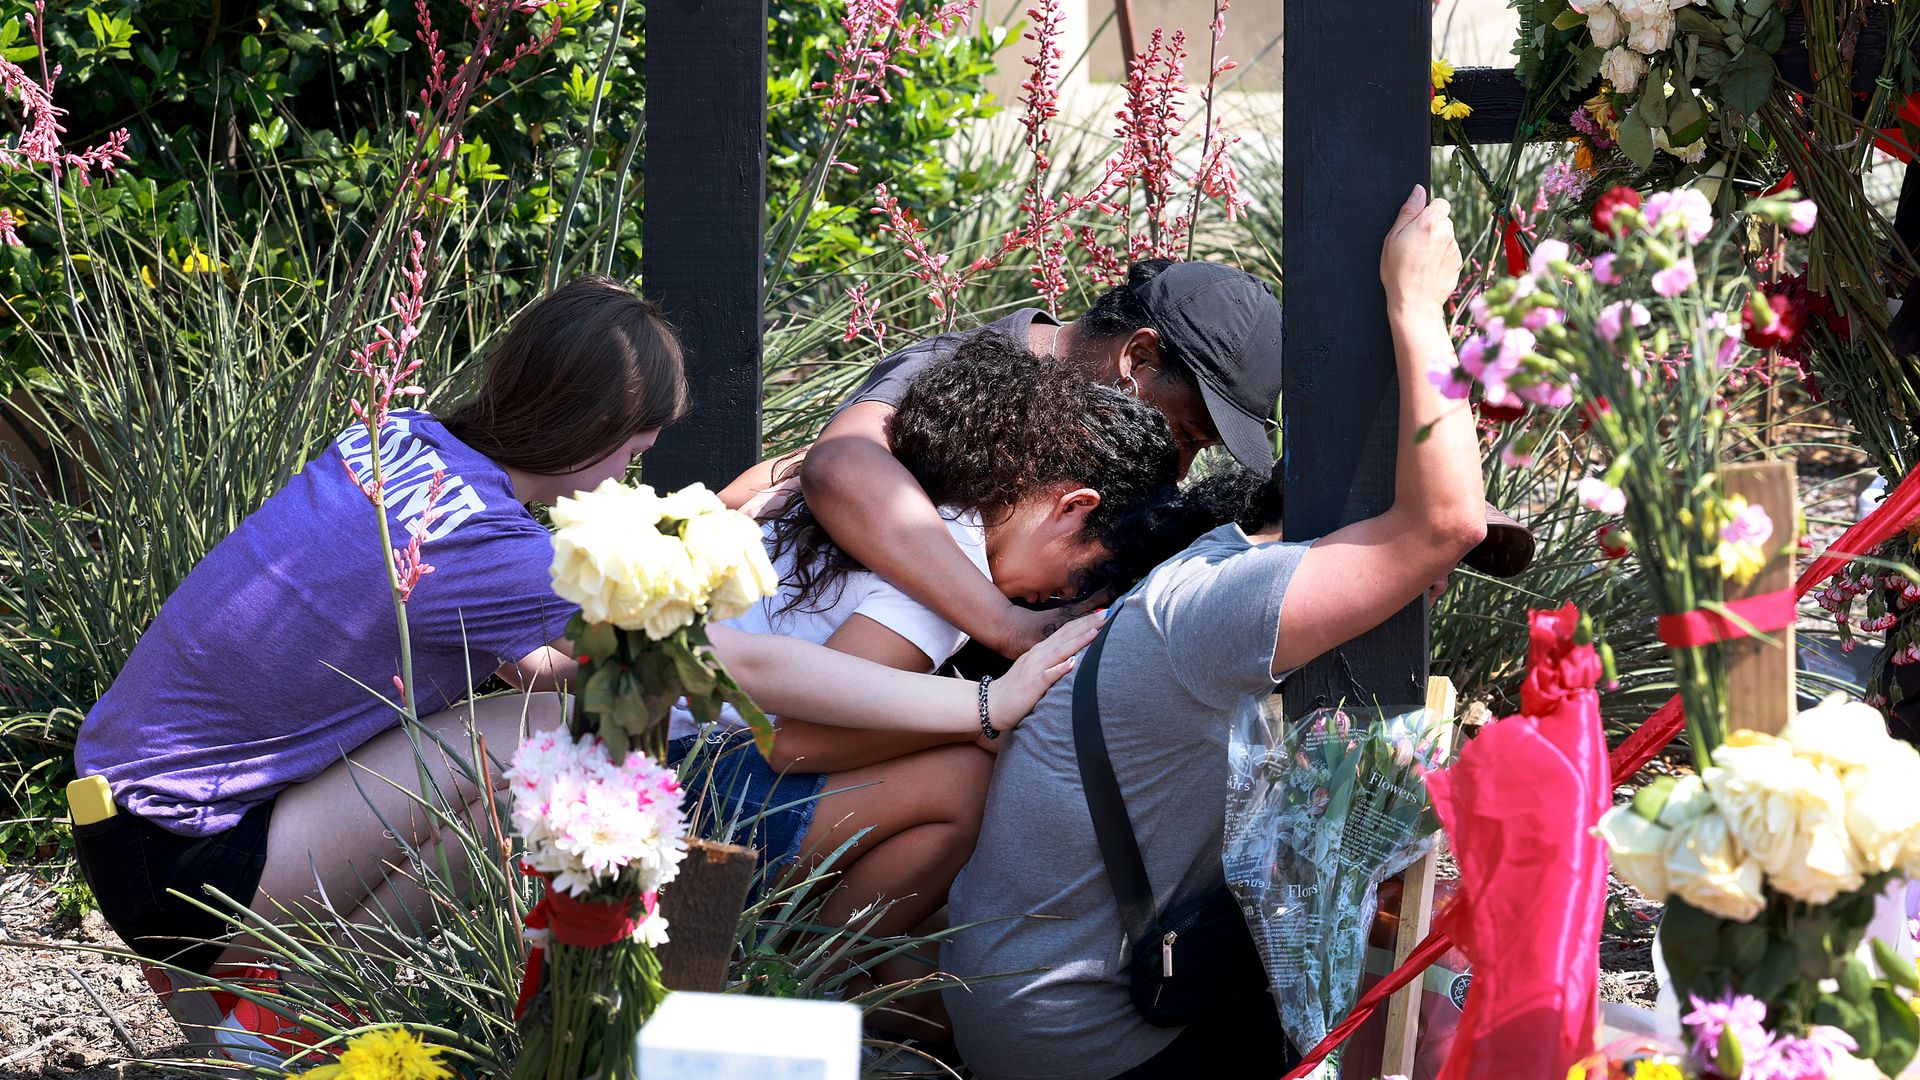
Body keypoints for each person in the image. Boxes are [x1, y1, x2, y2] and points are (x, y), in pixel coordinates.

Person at [63, 276, 1102, 1064]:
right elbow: (735, 668)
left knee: (539, 726)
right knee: (549, 755)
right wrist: (984, 697)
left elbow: (535, 653)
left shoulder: (401, 441)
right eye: (635, 449)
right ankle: (285, 1012)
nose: (631, 472)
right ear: (601, 436)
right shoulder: (500, 554)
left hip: (122, 807)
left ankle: (273, 1000)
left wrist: (715, 524)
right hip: (186, 860)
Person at [940, 186, 1485, 1080]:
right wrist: (1416, 305)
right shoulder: (1213, 609)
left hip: (1023, 1004)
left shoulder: (1198, 581)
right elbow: (1446, 525)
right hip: (1075, 1045)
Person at [675, 336, 1180, 982]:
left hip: (657, 741)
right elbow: (793, 744)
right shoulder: (953, 571)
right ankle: (787, 983)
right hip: (680, 794)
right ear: (1075, 505)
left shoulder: (926, 487)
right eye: (1082, 578)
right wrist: (985, 721)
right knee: (962, 782)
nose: (1059, 598)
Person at [721, 259, 1287, 661]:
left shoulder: (1095, 428)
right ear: (1137, 359)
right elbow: (837, 467)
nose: (1182, 465)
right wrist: (1005, 624)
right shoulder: (962, 373)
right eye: (1188, 434)